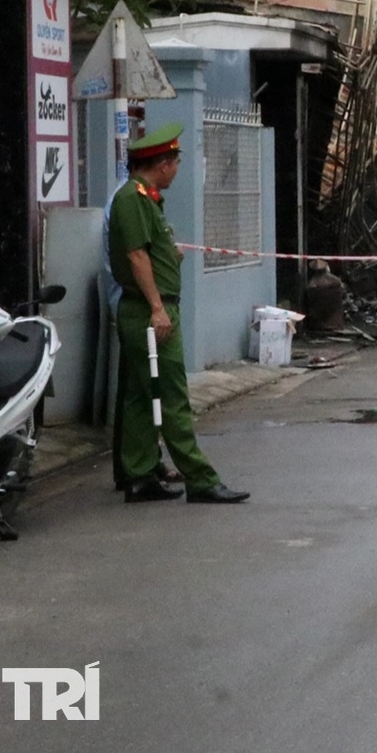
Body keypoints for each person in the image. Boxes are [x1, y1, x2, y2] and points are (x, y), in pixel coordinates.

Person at [107, 123, 250, 504]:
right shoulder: (132, 200)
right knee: (173, 396)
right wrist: (157, 307)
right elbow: (136, 256)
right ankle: (201, 478)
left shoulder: (145, 198)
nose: (178, 168)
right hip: (148, 311)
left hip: (150, 309)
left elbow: (148, 251)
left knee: (141, 394)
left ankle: (139, 474)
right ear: (163, 164)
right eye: (176, 161)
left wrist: (170, 257)